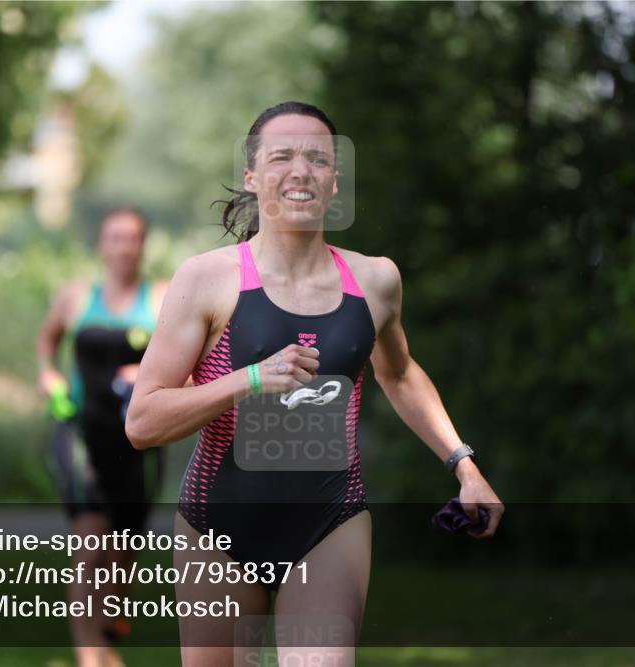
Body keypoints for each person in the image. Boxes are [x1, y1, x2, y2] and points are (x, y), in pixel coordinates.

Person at [125, 101, 505, 667]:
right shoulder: (206, 279)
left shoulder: (375, 280)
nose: (300, 170)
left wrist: (464, 467)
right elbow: (142, 421)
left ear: (334, 180)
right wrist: (249, 379)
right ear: (253, 177)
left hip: (330, 521)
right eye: (281, 157)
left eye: (318, 159)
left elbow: (399, 373)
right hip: (220, 527)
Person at [37, 207, 167, 667]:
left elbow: (188, 353)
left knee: (124, 547)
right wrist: (48, 376)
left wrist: (150, 372)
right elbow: (47, 341)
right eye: (115, 237)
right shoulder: (75, 297)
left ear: (143, 245)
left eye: (133, 238)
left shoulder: (163, 298)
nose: (124, 247)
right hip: (80, 431)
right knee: (91, 541)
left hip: (139, 437)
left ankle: (109, 627)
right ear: (102, 244)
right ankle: (91, 656)